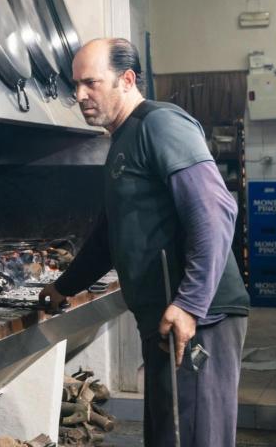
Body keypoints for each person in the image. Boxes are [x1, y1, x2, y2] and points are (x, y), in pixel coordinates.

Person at [40, 38, 250, 447]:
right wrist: (64, 287)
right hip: (166, 317)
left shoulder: (160, 124)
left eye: (91, 83)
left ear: (127, 79)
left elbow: (215, 211)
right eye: (75, 86)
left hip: (201, 317)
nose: (80, 96)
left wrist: (190, 303)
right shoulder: (123, 139)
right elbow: (108, 236)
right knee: (168, 436)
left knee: (193, 437)